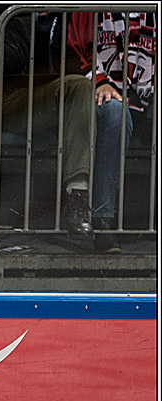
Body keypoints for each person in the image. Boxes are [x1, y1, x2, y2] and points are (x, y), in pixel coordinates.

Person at [0, 7, 94, 240]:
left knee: (78, 87)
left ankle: (77, 196)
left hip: (11, 96)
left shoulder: (8, 6)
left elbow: (16, 53)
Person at [90, 12, 155, 252]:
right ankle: (103, 221)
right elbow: (71, 52)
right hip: (95, 87)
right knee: (115, 112)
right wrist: (98, 81)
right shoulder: (87, 10)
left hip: (148, 90)